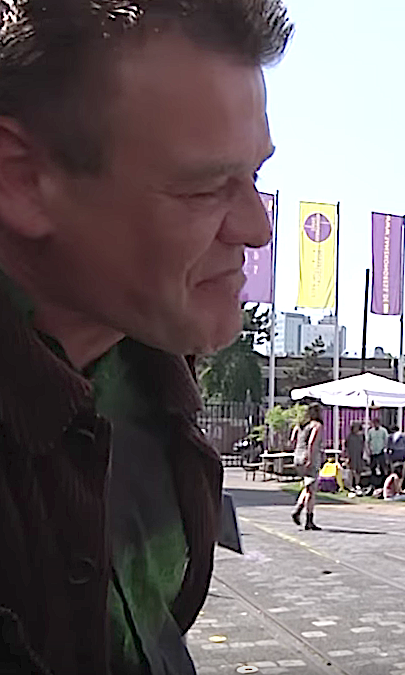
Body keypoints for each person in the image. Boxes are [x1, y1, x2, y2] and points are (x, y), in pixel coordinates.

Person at [0, 2, 292, 672]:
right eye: (202, 190)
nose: (256, 228)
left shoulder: (153, 369)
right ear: (21, 177)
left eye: (255, 175)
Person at [290, 404, 324, 531]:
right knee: (311, 491)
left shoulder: (300, 426)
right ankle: (309, 519)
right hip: (309, 457)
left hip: (298, 456)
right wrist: (310, 458)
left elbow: (292, 440)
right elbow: (312, 442)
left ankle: (298, 509)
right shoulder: (317, 426)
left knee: (307, 486)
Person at [344, 420, 367, 491]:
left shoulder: (361, 435)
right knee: (351, 470)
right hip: (351, 455)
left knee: (358, 470)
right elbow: (346, 446)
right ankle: (350, 485)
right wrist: (346, 455)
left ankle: (357, 484)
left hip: (359, 455)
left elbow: (364, 445)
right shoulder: (350, 436)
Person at [365, 416, 389, 482]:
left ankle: (383, 481)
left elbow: (386, 440)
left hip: (381, 452)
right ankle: (373, 481)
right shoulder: (370, 431)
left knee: (383, 467)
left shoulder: (384, 431)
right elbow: (368, 441)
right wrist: (368, 450)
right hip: (373, 452)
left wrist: (385, 448)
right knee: (372, 467)